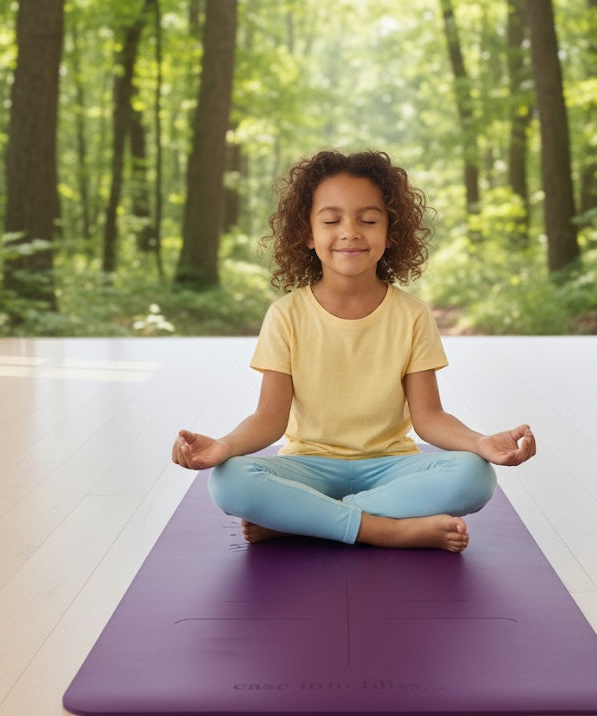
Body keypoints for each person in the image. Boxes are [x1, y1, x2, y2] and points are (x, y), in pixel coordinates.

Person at [172, 150, 535, 553]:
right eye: (331, 220)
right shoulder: (285, 315)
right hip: (308, 464)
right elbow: (269, 419)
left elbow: (429, 418)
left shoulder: (412, 315)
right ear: (308, 233)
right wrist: (224, 446)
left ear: (390, 232)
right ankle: (385, 530)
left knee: (474, 476)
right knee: (228, 481)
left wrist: (481, 442)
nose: (350, 232)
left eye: (368, 220)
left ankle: (304, 521)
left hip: (390, 466)